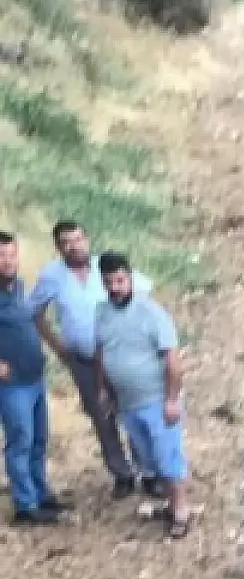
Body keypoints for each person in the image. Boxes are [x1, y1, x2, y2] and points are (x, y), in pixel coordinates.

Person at [31, 221, 158, 499]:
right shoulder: (52, 276)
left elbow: (144, 293)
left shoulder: (107, 267)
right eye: (66, 241)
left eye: (78, 239)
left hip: (121, 357)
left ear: (87, 239)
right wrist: (58, 346)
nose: (74, 245)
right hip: (84, 360)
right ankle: (121, 474)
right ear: (58, 247)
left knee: (134, 413)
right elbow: (35, 312)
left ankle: (148, 472)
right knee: (102, 417)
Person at [93, 252, 191, 538]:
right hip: (127, 403)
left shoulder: (152, 313)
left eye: (120, 280)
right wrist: (104, 389)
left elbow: (173, 361)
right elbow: (101, 352)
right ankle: (171, 504)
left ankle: (181, 511)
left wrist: (172, 400)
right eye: (109, 282)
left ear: (131, 278)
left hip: (157, 401)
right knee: (148, 461)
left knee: (168, 458)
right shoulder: (101, 312)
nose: (116, 287)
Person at [0, 229, 65, 526]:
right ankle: (25, 506)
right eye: (1, 256)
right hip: (12, 385)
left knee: (39, 440)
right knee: (20, 442)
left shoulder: (19, 287)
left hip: (35, 378)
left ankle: (41, 493)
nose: (7, 260)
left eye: (11, 254)